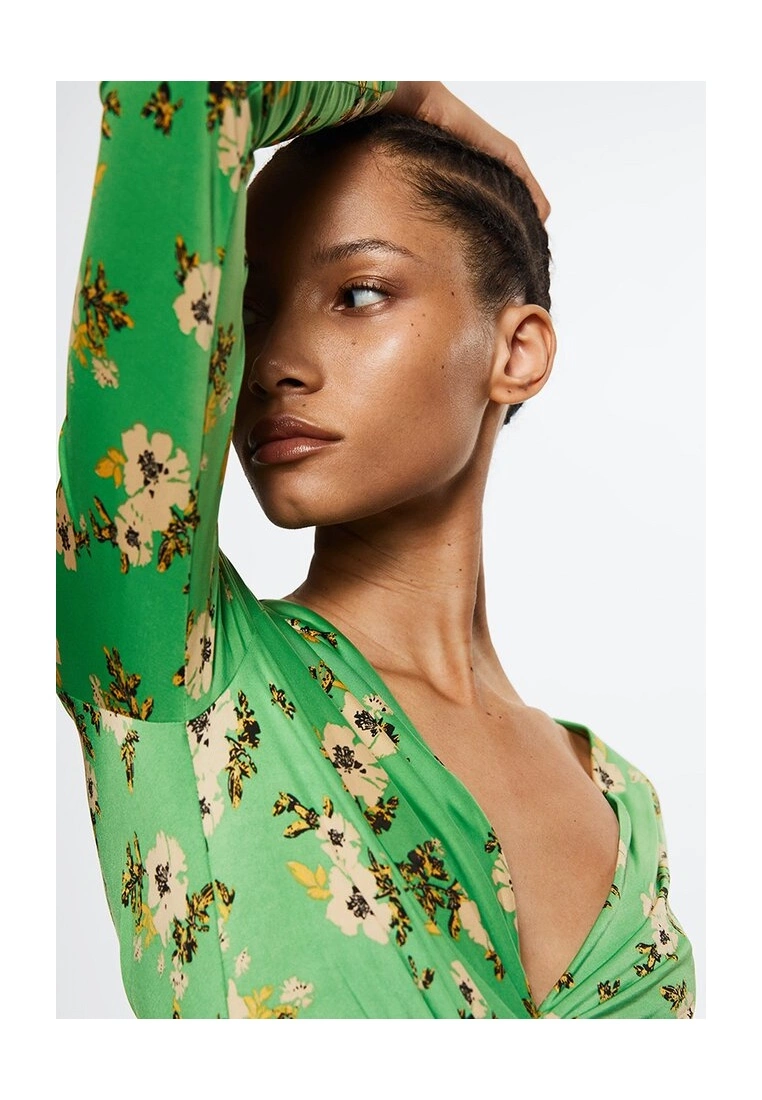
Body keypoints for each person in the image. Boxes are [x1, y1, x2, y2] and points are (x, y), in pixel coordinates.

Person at [56, 80, 696, 1019]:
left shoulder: (622, 801)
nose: (275, 362)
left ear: (516, 352)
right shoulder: (171, 658)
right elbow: (178, 87)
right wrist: (401, 82)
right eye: (247, 312)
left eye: (357, 294)